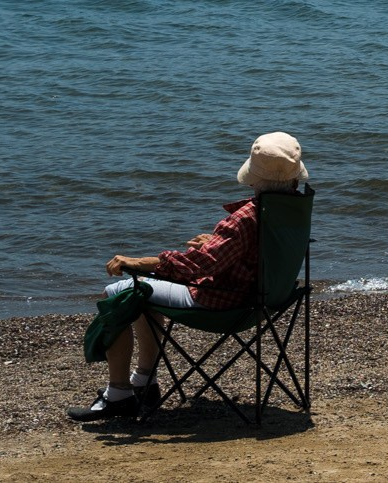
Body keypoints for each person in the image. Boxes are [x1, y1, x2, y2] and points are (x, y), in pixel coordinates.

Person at [70, 132, 309, 423]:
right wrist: (219, 242)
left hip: (223, 305)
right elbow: (262, 249)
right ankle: (145, 382)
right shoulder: (292, 211)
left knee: (119, 292)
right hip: (269, 301)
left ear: (253, 179)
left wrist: (141, 262)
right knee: (143, 294)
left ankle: (119, 394)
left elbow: (199, 266)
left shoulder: (247, 217)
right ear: (295, 177)